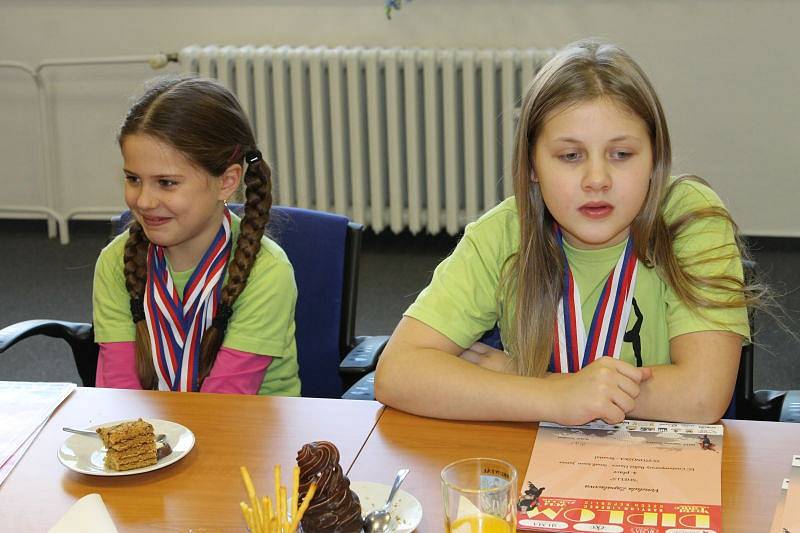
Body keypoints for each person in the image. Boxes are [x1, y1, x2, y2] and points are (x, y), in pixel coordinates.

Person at [375, 39, 758, 425]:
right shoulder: (506, 232)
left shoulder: (690, 218)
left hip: (665, 470)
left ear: (655, 159)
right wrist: (557, 396)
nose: (597, 180)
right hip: (541, 465)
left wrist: (523, 377)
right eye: (570, 156)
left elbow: (701, 397)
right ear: (531, 167)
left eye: (621, 155)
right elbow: (397, 372)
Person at [92, 76, 300, 395]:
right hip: (154, 436)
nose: (143, 201)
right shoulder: (115, 261)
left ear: (228, 182)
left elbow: (225, 401)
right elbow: (119, 392)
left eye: (167, 183)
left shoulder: (267, 271)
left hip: (246, 432)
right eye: (133, 178)